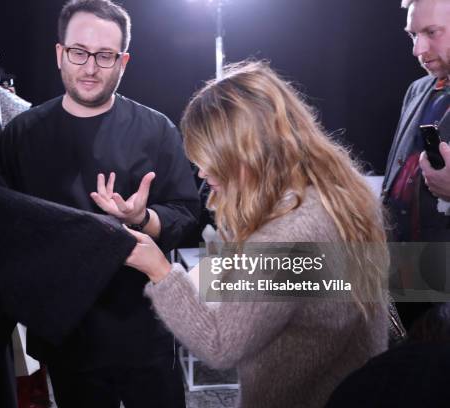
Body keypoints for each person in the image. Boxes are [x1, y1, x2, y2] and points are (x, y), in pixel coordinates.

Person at [125, 61, 389, 408]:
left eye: (211, 160)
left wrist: (159, 271)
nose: (202, 172)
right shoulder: (341, 191)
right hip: (355, 385)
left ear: (248, 153)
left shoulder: (286, 237)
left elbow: (220, 344)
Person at [0, 0, 199, 406]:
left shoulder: (156, 130)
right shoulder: (21, 135)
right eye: (79, 52)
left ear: (123, 61)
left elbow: (189, 216)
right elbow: (2, 230)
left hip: (145, 328)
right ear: (60, 54)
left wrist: (144, 217)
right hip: (67, 333)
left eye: (105, 56)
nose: (90, 67)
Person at [381, 0, 450, 329]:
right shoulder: (417, 90)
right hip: (406, 274)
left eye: (431, 32)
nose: (418, 49)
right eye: (412, 36)